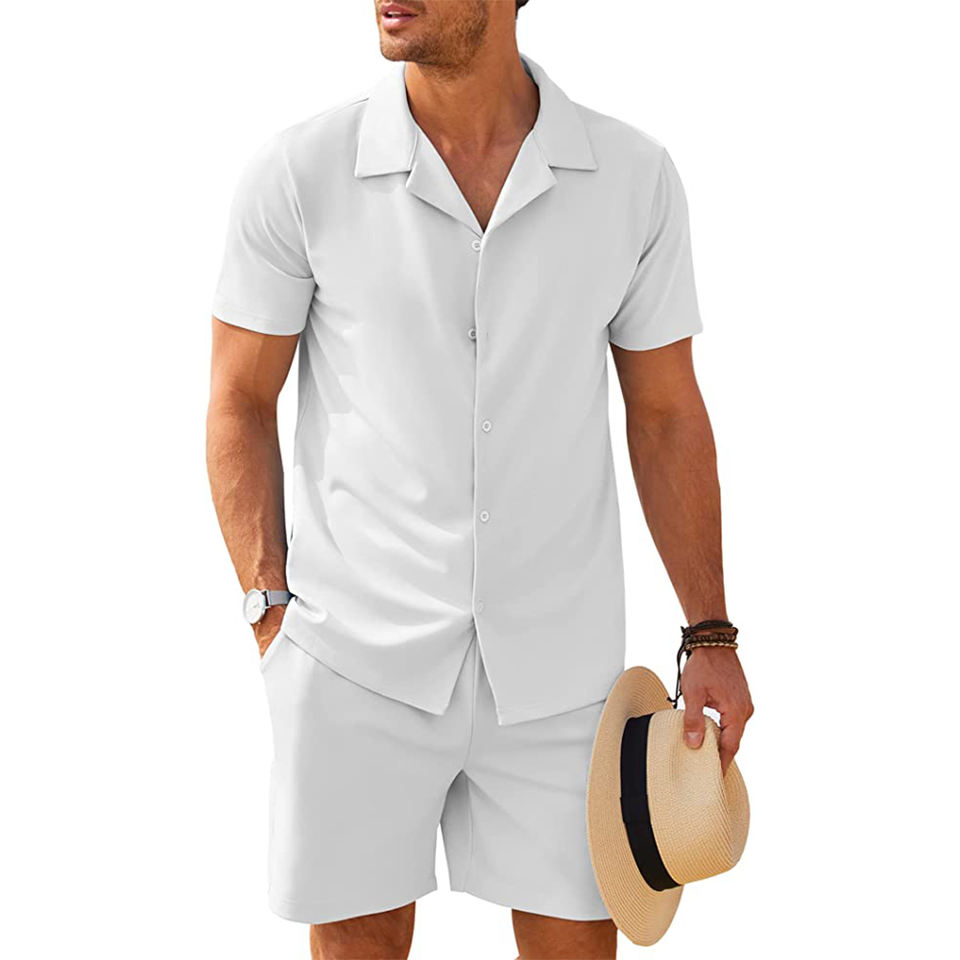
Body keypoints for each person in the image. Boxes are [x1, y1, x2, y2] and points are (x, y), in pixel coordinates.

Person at [206, 1, 754, 957]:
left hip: (561, 673)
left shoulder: (631, 178)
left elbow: (667, 414)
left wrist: (709, 630)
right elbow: (238, 400)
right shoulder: (301, 173)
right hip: (355, 661)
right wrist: (269, 607)